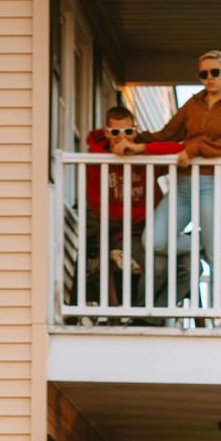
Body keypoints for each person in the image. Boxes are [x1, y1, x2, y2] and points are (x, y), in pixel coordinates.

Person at [143, 52, 221, 312]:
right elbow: (167, 134)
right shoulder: (193, 103)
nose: (209, 78)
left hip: (213, 185)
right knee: (153, 241)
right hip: (181, 187)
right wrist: (135, 141)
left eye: (215, 72)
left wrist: (195, 149)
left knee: (217, 257)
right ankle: (200, 243)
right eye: (204, 74)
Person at [81, 102, 177, 309]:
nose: (121, 137)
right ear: (106, 132)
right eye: (115, 131)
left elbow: (179, 149)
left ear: (134, 131)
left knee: (189, 268)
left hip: (155, 232)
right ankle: (144, 315)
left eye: (127, 131)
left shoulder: (145, 155)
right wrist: (147, 215)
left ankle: (147, 319)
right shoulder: (95, 163)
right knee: (160, 266)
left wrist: (141, 148)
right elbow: (102, 210)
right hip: (123, 234)